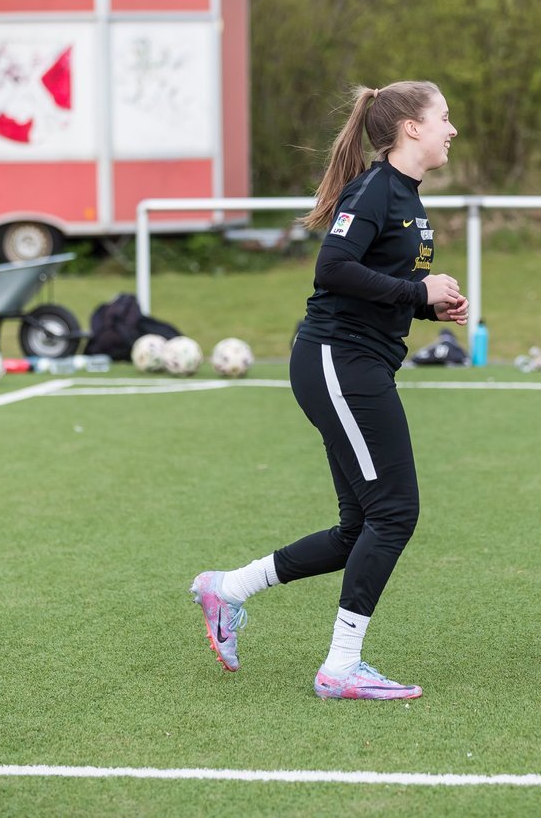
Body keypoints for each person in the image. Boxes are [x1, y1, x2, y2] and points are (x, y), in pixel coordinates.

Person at [190, 81, 467, 700]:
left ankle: (227, 589)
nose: (452, 129)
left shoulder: (405, 194)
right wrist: (417, 292)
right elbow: (332, 270)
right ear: (411, 128)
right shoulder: (373, 190)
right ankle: (340, 667)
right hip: (338, 362)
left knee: (359, 528)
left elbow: (375, 283)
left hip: (352, 361)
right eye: (443, 118)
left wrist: (427, 308)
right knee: (394, 514)